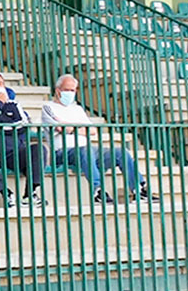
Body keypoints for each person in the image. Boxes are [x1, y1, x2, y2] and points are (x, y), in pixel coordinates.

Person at [37, 73, 150, 204]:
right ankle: (98, 191)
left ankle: (139, 190)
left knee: (121, 152)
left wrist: (72, 127)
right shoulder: (48, 107)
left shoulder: (77, 109)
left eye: (73, 90)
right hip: (63, 152)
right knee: (86, 150)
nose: (71, 93)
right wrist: (78, 128)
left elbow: (92, 131)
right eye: (67, 90)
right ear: (58, 91)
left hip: (89, 152)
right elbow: (61, 128)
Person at [0, 69, 45, 210]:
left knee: (39, 149)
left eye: (1, 83)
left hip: (14, 152)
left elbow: (23, 124)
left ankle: (30, 194)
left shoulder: (14, 105)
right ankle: (5, 192)